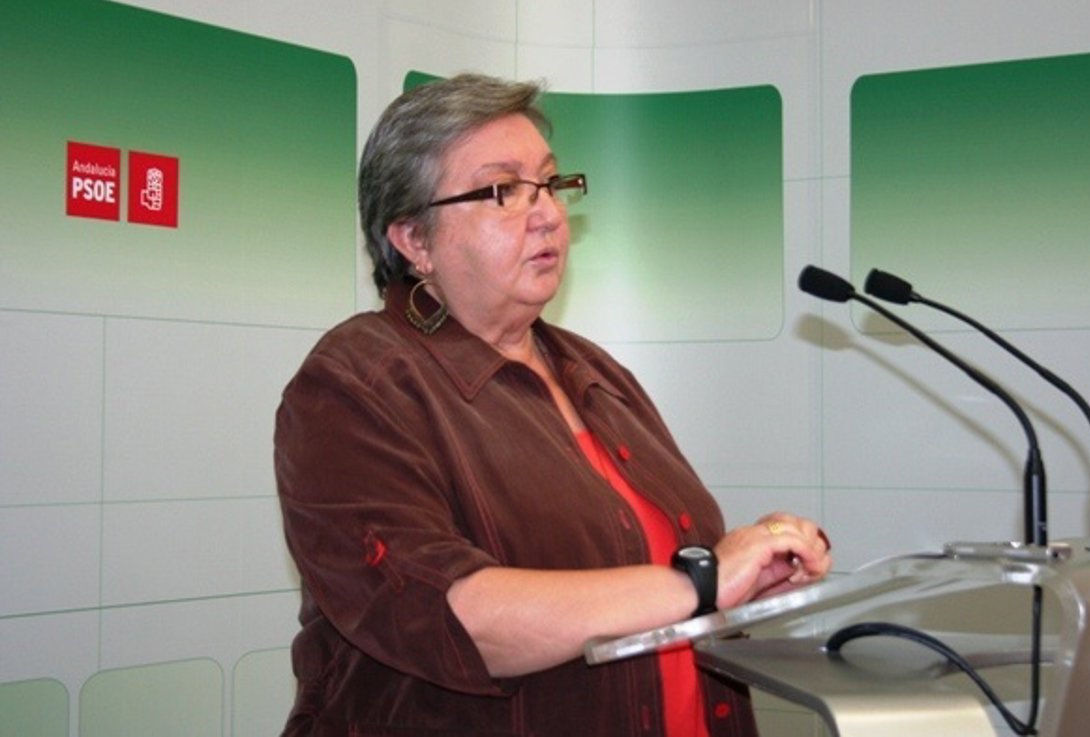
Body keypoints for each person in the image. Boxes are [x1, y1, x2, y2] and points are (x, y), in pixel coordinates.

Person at [274, 73, 832, 737]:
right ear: (414, 240)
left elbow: (657, 573)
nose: (547, 214)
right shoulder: (356, 382)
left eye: (549, 183)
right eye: (503, 191)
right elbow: (449, 616)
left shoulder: (595, 371)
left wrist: (749, 575)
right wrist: (703, 583)